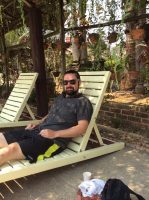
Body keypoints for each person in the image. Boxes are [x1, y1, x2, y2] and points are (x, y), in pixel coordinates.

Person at [0, 70, 93, 165]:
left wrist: (55, 133)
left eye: (72, 82)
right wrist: (38, 123)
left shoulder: (82, 102)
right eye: (65, 82)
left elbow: (82, 128)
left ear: (79, 82)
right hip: (36, 131)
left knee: (8, 152)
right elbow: (51, 114)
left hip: (51, 141)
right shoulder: (60, 98)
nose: (68, 85)